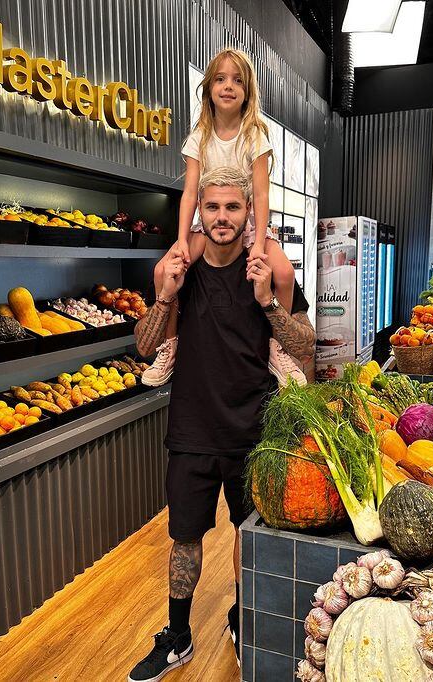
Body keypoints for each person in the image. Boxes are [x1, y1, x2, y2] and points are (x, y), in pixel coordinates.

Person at [128, 167, 316, 682]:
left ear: (247, 214)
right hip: (191, 433)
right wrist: (166, 294)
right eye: (212, 207)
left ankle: (240, 616)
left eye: (233, 207)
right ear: (200, 214)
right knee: (184, 538)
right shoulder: (179, 273)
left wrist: (267, 303)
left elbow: (304, 344)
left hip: (253, 435)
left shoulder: (266, 272)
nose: (222, 217)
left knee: (246, 533)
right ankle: (178, 636)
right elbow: (144, 347)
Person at [141, 47, 305, 389]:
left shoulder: (253, 136)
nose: (228, 86)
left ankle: (277, 347)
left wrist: (258, 243)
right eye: (220, 79)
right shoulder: (199, 137)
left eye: (237, 80)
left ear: (247, 92)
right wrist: (182, 240)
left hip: (251, 225)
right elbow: (189, 193)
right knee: (163, 270)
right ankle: (171, 345)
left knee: (285, 272)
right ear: (209, 89)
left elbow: (260, 194)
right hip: (205, 226)